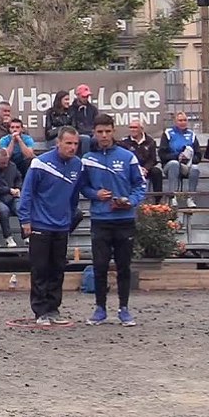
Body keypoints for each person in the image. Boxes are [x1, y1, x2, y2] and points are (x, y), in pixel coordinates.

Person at [80, 114, 146, 327]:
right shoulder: (88, 158)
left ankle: (124, 309)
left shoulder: (127, 157)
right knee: (99, 265)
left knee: (123, 266)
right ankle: (100, 308)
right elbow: (83, 186)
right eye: (100, 132)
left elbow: (140, 186)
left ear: (114, 131)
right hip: (100, 219)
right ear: (94, 133)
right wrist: (95, 195)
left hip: (124, 220)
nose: (104, 135)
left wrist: (130, 201)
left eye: (108, 131)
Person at [18, 126, 84, 326]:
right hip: (40, 223)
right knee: (40, 269)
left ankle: (53, 308)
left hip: (61, 225)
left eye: (75, 144)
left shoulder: (77, 165)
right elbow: (27, 192)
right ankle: (40, 311)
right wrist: (25, 219)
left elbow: (74, 195)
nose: (72, 148)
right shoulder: (40, 164)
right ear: (58, 143)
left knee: (57, 268)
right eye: (68, 143)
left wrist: (70, 216)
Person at [160, 112, 202, 207]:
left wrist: (189, 158)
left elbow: (198, 155)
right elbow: (162, 154)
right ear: (175, 121)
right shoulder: (168, 133)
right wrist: (177, 156)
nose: (183, 122)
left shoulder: (192, 135)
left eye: (185, 120)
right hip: (170, 165)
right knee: (174, 164)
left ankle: (191, 198)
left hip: (187, 165)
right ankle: (172, 197)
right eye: (180, 120)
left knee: (195, 169)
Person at [119, 121, 163, 198]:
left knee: (157, 172)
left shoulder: (150, 141)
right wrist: (137, 169)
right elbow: (124, 159)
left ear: (141, 129)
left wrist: (145, 168)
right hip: (132, 169)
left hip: (146, 169)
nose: (132, 130)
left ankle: (157, 201)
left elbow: (152, 159)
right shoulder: (125, 143)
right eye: (131, 127)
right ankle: (127, 198)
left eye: (135, 127)